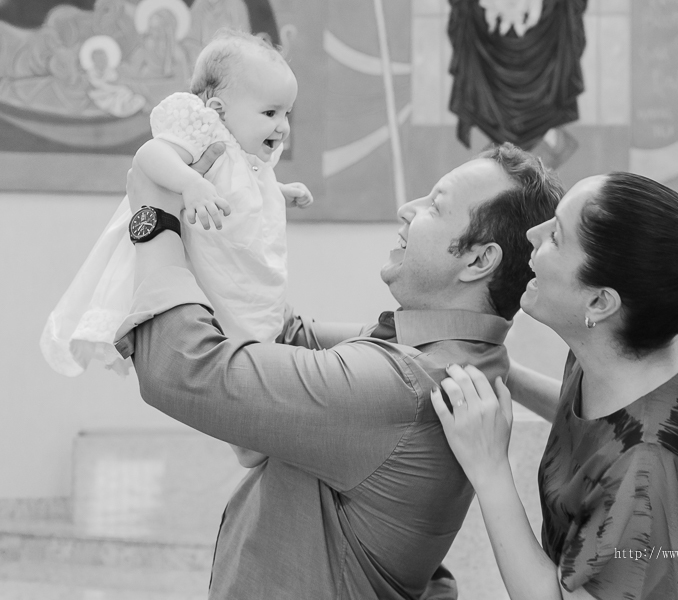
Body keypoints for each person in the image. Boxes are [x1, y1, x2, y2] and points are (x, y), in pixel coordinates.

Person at [113, 142, 562, 598]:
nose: (407, 209)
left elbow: (183, 368)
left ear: (479, 261)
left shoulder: (403, 386)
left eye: (435, 206)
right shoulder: (453, 353)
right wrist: (239, 213)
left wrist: (153, 218)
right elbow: (286, 335)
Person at [431, 172, 678, 599]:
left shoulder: (644, 476)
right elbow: (606, 430)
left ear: (599, 302)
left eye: (555, 236)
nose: (532, 235)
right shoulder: (632, 344)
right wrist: (509, 377)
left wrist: (490, 470)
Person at [40, 29, 312, 466]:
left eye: (287, 113)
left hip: (238, 275)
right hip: (205, 275)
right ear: (218, 110)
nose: (282, 125)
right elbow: (149, 157)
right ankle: (243, 437)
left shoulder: (250, 157)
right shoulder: (203, 133)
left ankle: (248, 434)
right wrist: (189, 184)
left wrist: (279, 191)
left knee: (251, 343)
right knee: (227, 350)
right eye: (270, 112)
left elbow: (242, 190)